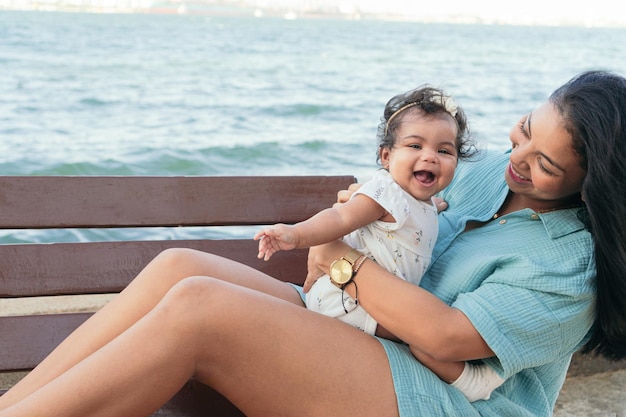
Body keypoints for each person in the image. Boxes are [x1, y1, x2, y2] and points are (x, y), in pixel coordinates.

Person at [0, 70, 625, 417]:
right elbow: (402, 191)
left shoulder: (572, 266)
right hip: (373, 334)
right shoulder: (488, 171)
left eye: (544, 164)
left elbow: (444, 337)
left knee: (200, 309)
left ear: (593, 188)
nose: (516, 159)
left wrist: (343, 263)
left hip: (440, 399)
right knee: (178, 268)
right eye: (523, 132)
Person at [254, 85, 504, 401]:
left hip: (370, 297)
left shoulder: (422, 202)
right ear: (387, 156)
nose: (430, 156)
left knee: (421, 331)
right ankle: (471, 382)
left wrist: (435, 206)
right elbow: (340, 219)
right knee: (423, 337)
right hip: (350, 303)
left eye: (444, 151)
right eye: (415, 145)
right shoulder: (384, 195)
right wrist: (295, 235)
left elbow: (417, 215)